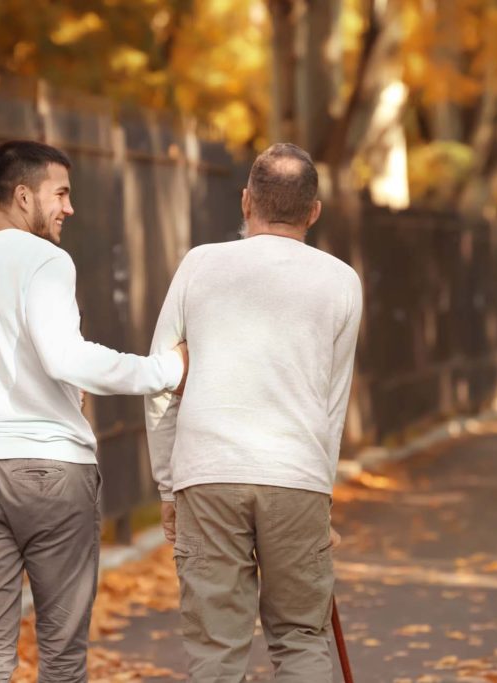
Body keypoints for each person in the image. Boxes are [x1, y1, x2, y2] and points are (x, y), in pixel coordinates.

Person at [0, 140, 187, 683]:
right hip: (51, 473)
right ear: (22, 196)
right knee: (62, 656)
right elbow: (66, 357)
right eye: (60, 193)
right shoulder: (46, 260)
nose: (69, 208)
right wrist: (165, 370)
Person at [144, 142, 363, 682]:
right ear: (313, 211)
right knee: (300, 638)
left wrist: (169, 488)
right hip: (296, 477)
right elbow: (333, 404)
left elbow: (160, 381)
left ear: (246, 202)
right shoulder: (341, 281)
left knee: (216, 649)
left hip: (208, 472)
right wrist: (321, 493)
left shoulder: (199, 265)